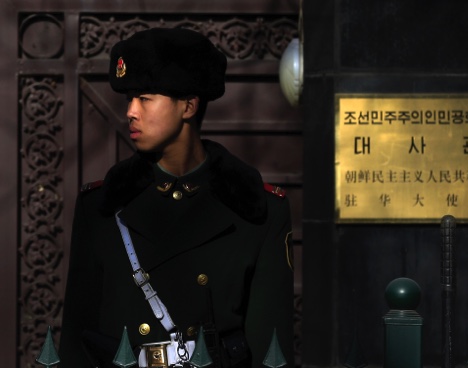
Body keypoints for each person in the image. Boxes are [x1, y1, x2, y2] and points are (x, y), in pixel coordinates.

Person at [58, 27, 295, 368]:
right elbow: (76, 342)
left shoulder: (258, 210)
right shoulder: (101, 206)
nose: (130, 112)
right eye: (129, 99)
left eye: (145, 98)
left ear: (188, 106)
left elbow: (271, 351)